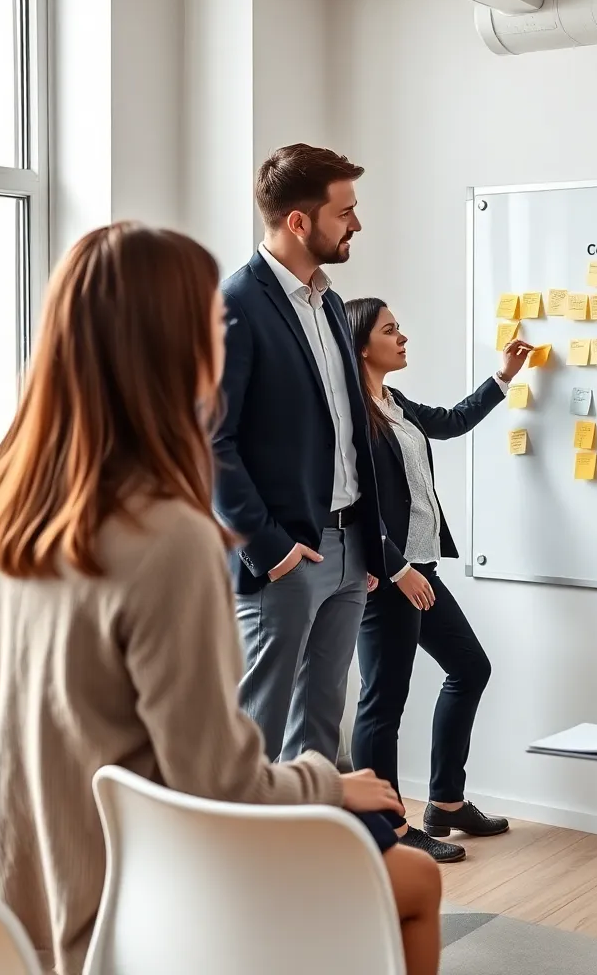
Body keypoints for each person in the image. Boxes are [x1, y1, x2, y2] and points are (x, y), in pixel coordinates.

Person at [0, 223, 441, 975]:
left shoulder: (11, 511)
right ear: (177, 345)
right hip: (140, 910)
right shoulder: (165, 535)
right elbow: (218, 782)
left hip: (21, 917)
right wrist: (331, 785)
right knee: (414, 878)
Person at [213, 144, 386, 765]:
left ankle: (310, 834)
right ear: (298, 221)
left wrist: (366, 541)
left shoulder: (332, 304)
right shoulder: (235, 305)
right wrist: (270, 549)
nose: (356, 224)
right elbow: (210, 443)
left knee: (319, 735)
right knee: (254, 740)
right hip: (285, 556)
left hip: (348, 549)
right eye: (345, 212)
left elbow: (350, 428)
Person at [346, 297, 530, 862]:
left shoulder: (394, 403)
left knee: (470, 668)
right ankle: (384, 827)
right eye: (390, 330)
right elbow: (352, 502)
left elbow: (451, 422)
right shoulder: (350, 412)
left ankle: (446, 802)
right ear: (361, 345)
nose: (402, 337)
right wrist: (394, 567)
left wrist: (502, 377)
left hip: (420, 567)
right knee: (383, 702)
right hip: (387, 576)